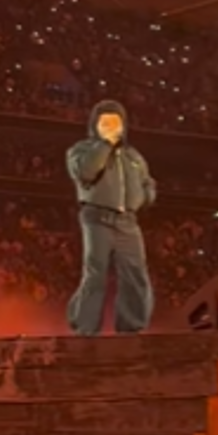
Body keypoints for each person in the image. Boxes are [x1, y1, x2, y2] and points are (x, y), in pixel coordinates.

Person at [66, 100, 156, 335]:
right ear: (95, 125)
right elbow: (86, 170)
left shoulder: (133, 156)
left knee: (135, 274)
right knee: (96, 274)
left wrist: (145, 197)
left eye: (115, 123)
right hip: (97, 218)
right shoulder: (82, 150)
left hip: (127, 221)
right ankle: (85, 326)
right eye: (104, 123)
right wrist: (104, 144)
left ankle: (131, 326)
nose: (110, 127)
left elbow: (147, 181)